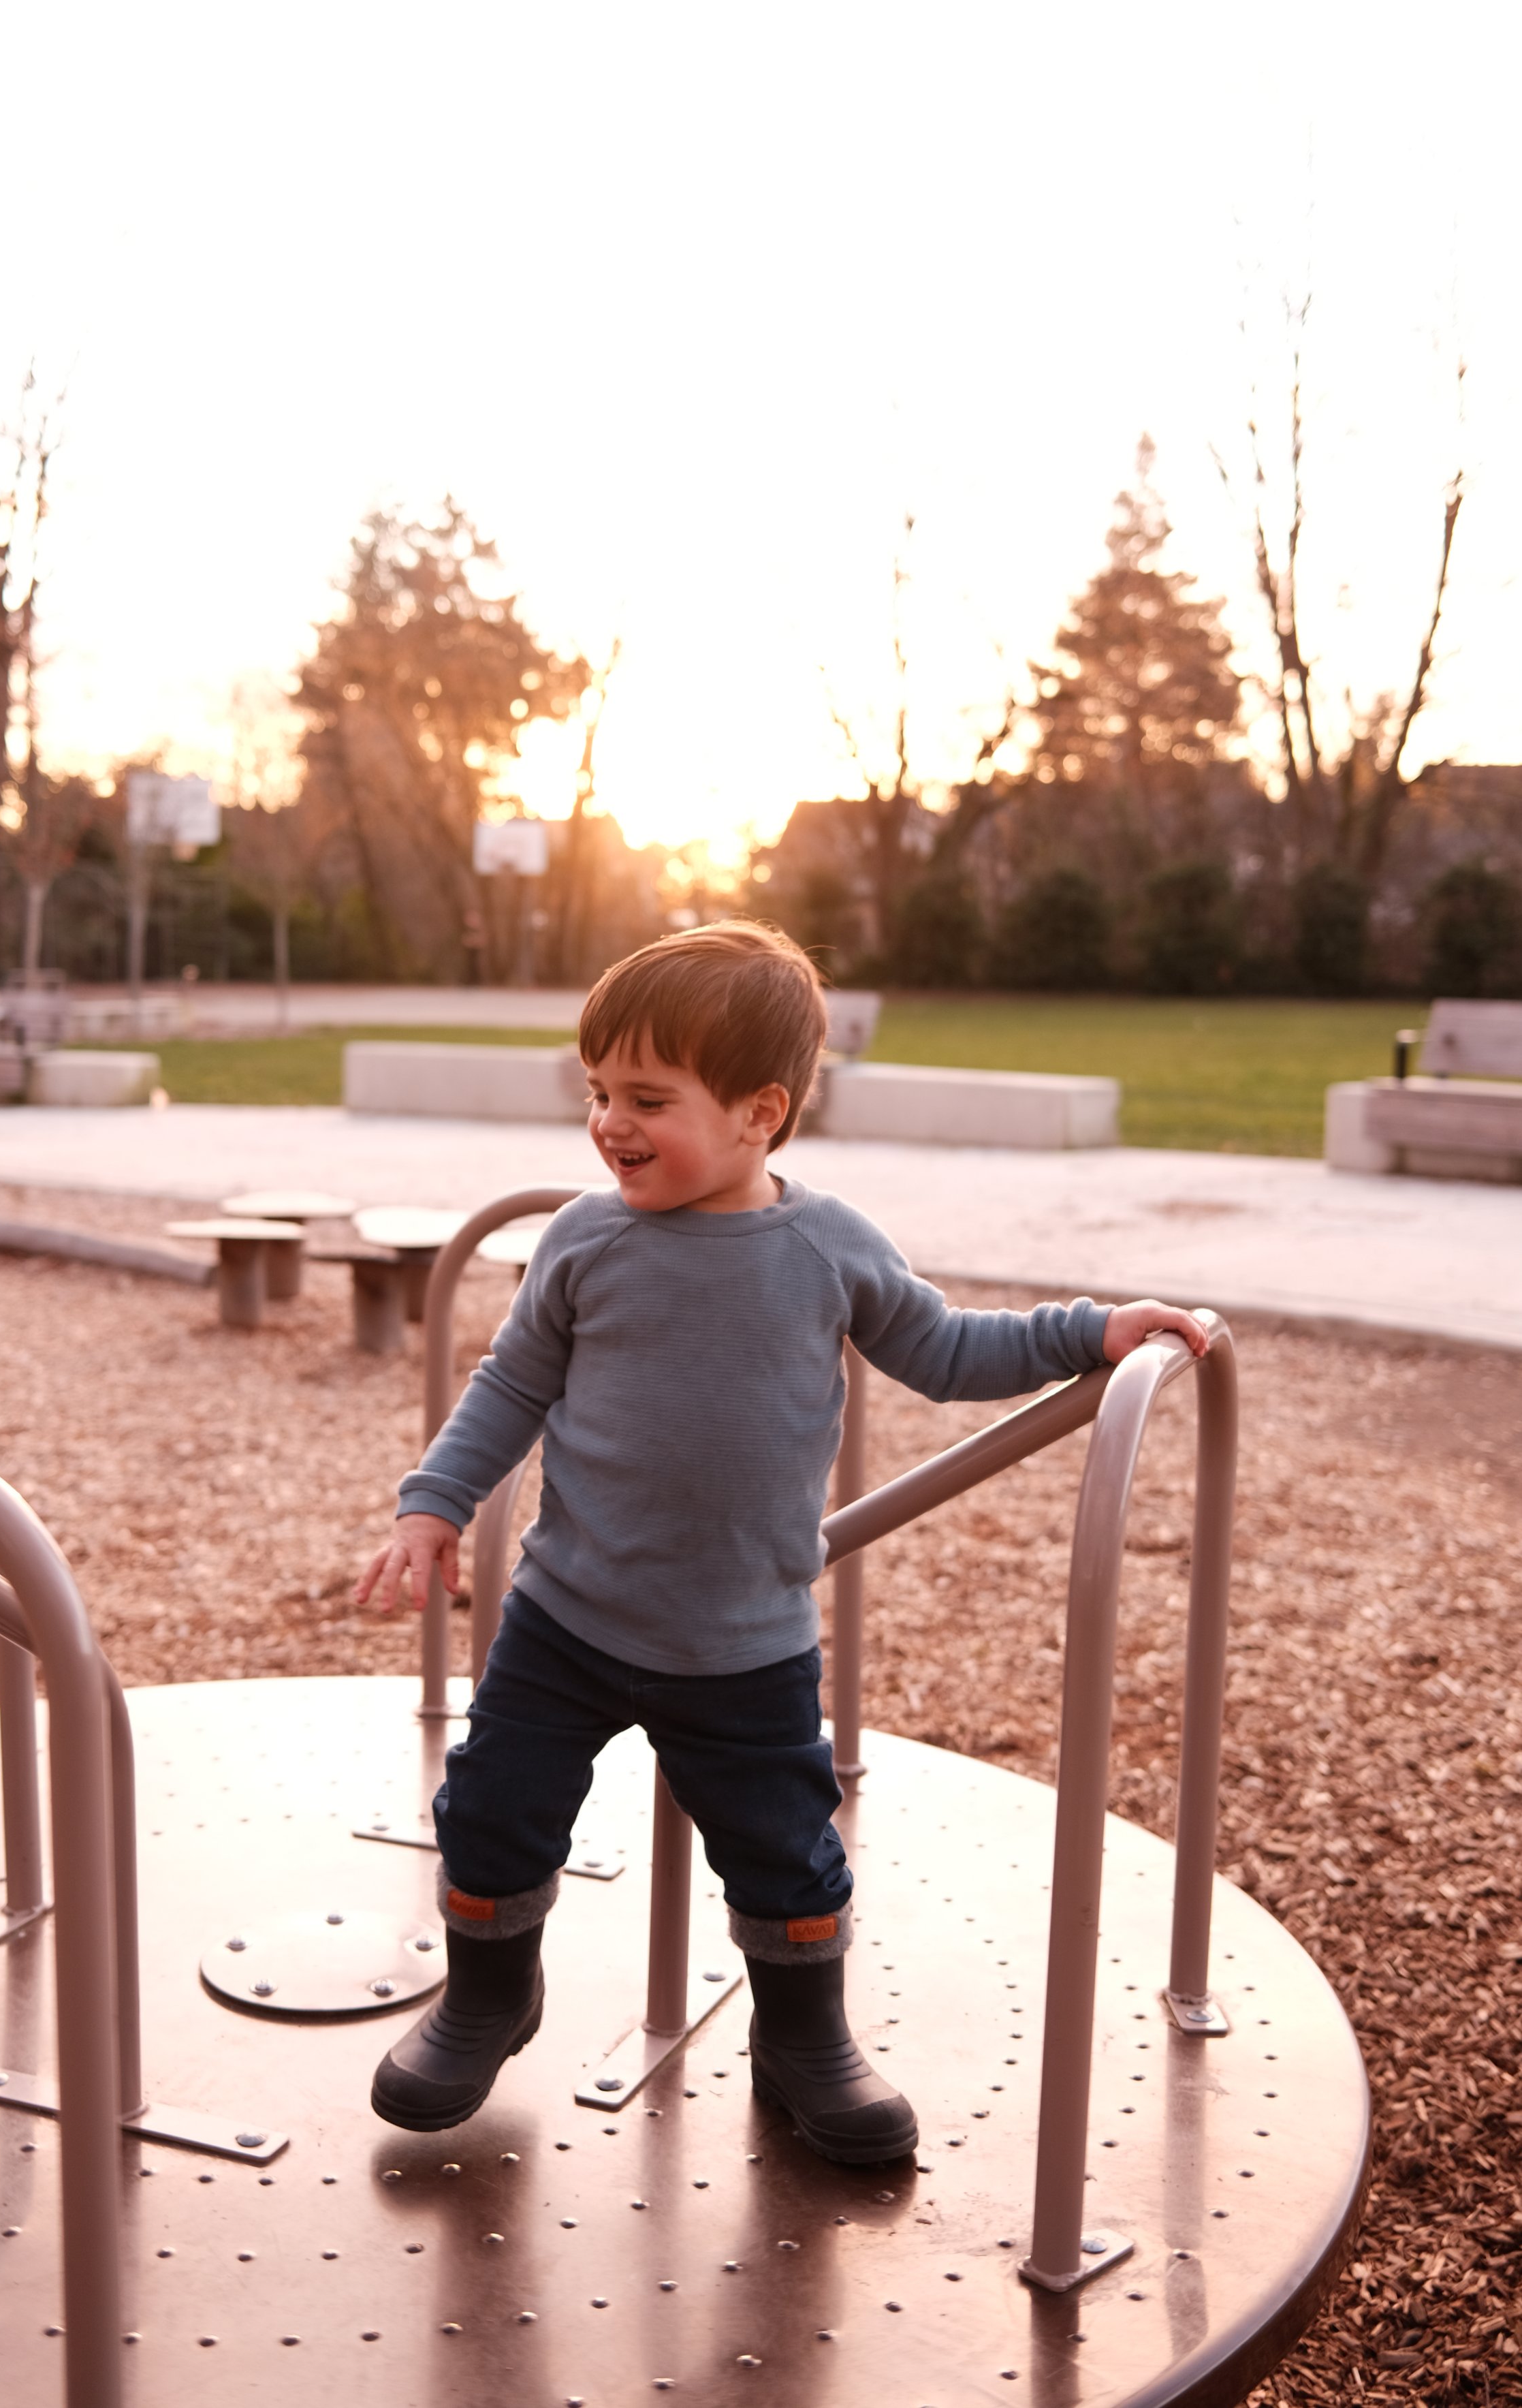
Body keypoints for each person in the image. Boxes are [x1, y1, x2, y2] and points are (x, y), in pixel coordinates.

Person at [354, 920, 1207, 2165]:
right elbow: (509, 1385)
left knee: (786, 1848)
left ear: (761, 1112)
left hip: (744, 1638)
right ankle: (491, 1993)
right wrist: (433, 1502)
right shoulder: (586, 1241)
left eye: (649, 1097)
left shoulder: (827, 1248)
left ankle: (805, 2038)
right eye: (597, 1093)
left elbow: (948, 1349)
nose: (610, 1122)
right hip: (567, 1616)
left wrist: (1091, 1330)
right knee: (492, 1808)